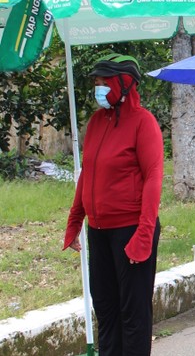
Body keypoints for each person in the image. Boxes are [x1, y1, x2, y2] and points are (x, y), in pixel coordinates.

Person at [63, 53, 163, 355]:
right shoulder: (95, 122)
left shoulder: (143, 123)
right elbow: (87, 173)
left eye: (103, 82)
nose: (98, 88)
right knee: (105, 306)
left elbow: (153, 177)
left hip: (131, 229)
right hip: (99, 230)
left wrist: (144, 234)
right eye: (96, 82)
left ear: (123, 83)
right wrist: (74, 221)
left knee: (133, 312)